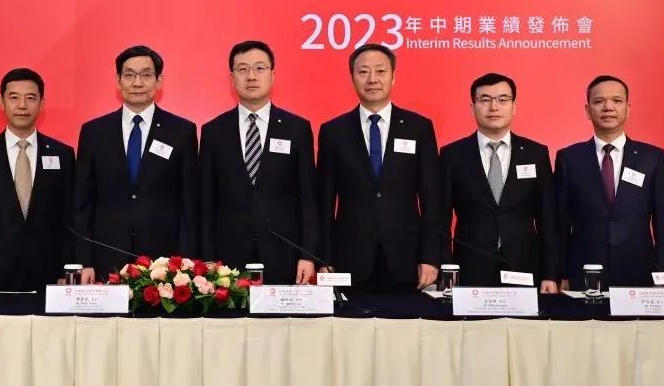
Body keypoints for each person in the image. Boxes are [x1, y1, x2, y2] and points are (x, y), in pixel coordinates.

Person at [317, 44, 441, 292]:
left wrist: (430, 256)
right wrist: (324, 258)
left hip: (407, 256)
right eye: (363, 72)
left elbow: (432, 198)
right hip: (349, 257)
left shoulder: (418, 128)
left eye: (380, 71)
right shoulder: (333, 131)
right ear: (352, 78)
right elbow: (324, 201)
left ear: (393, 77)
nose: (372, 79)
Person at [75, 45, 198, 282]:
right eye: (129, 75)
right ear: (118, 80)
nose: (137, 82)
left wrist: (185, 263)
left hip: (164, 261)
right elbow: (82, 203)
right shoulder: (94, 132)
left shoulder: (181, 131)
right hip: (105, 255)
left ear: (159, 81)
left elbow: (188, 203)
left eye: (146, 75)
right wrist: (84, 260)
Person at [199, 40, 316, 284]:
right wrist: (207, 258)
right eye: (242, 69)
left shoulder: (297, 129)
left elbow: (308, 197)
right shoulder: (213, 131)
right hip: (226, 258)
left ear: (272, 75)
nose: (251, 76)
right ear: (232, 78)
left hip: (284, 252)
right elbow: (205, 201)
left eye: (259, 68)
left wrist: (307, 255)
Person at [439, 73, 558, 291]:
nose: (494, 107)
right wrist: (446, 271)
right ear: (472, 107)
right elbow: (441, 219)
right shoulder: (452, 155)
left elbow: (548, 218)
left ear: (514, 106)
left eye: (502, 100)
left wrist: (551, 274)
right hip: (470, 268)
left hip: (524, 266)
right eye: (485, 100)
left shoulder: (535, 154)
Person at [0, 68, 75, 293]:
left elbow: (69, 218)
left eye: (30, 98)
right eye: (14, 98)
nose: (22, 105)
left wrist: (67, 271)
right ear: (1, 102)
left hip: (50, 276)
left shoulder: (63, 154)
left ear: (42, 104)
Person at [557, 75, 664, 289]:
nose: (608, 107)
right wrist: (560, 273)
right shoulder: (569, 158)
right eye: (599, 101)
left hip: (640, 274)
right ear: (587, 110)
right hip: (583, 273)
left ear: (627, 108)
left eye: (617, 100)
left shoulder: (652, 158)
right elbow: (560, 223)